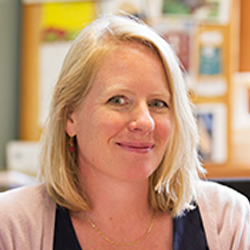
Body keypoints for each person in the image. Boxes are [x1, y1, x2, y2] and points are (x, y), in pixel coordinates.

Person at [0, 14, 249, 250]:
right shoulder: (12, 226)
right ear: (69, 117)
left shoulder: (225, 219)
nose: (145, 121)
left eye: (158, 103)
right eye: (118, 100)